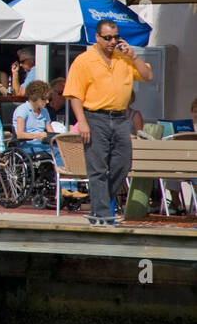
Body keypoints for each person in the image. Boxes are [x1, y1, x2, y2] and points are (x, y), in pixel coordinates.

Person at [65, 20, 153, 225]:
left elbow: (148, 75)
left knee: (123, 164)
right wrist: (82, 122)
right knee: (97, 168)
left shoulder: (124, 58)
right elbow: (74, 94)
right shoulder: (84, 61)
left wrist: (134, 56)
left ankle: (98, 208)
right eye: (107, 38)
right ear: (97, 37)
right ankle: (103, 215)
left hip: (120, 118)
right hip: (95, 117)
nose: (112, 42)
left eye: (115, 37)